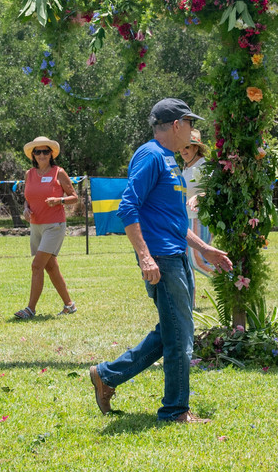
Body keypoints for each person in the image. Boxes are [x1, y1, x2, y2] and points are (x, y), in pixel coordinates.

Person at [88, 98, 232, 424]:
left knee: (172, 331)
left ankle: (107, 375)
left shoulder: (169, 160)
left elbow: (174, 222)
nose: (194, 131)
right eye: (190, 123)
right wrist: (145, 258)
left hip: (176, 255)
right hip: (162, 261)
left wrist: (204, 250)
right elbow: (127, 208)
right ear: (177, 125)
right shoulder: (151, 155)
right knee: (179, 337)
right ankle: (175, 411)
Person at [14, 136, 78, 319]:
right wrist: (25, 209)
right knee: (50, 267)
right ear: (33, 155)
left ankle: (30, 309)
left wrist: (59, 200)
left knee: (36, 266)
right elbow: (28, 197)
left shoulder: (59, 172)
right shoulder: (29, 174)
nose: (42, 155)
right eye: (38, 152)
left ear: (51, 154)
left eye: (45, 151)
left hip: (54, 226)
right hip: (36, 226)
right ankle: (69, 305)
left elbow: (74, 197)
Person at [179, 128, 215, 279]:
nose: (182, 151)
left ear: (196, 147)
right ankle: (188, 302)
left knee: (198, 261)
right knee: (186, 263)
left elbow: (213, 189)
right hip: (185, 219)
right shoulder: (186, 168)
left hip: (199, 218)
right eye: (180, 147)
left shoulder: (203, 166)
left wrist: (199, 196)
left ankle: (235, 283)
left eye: (186, 146)